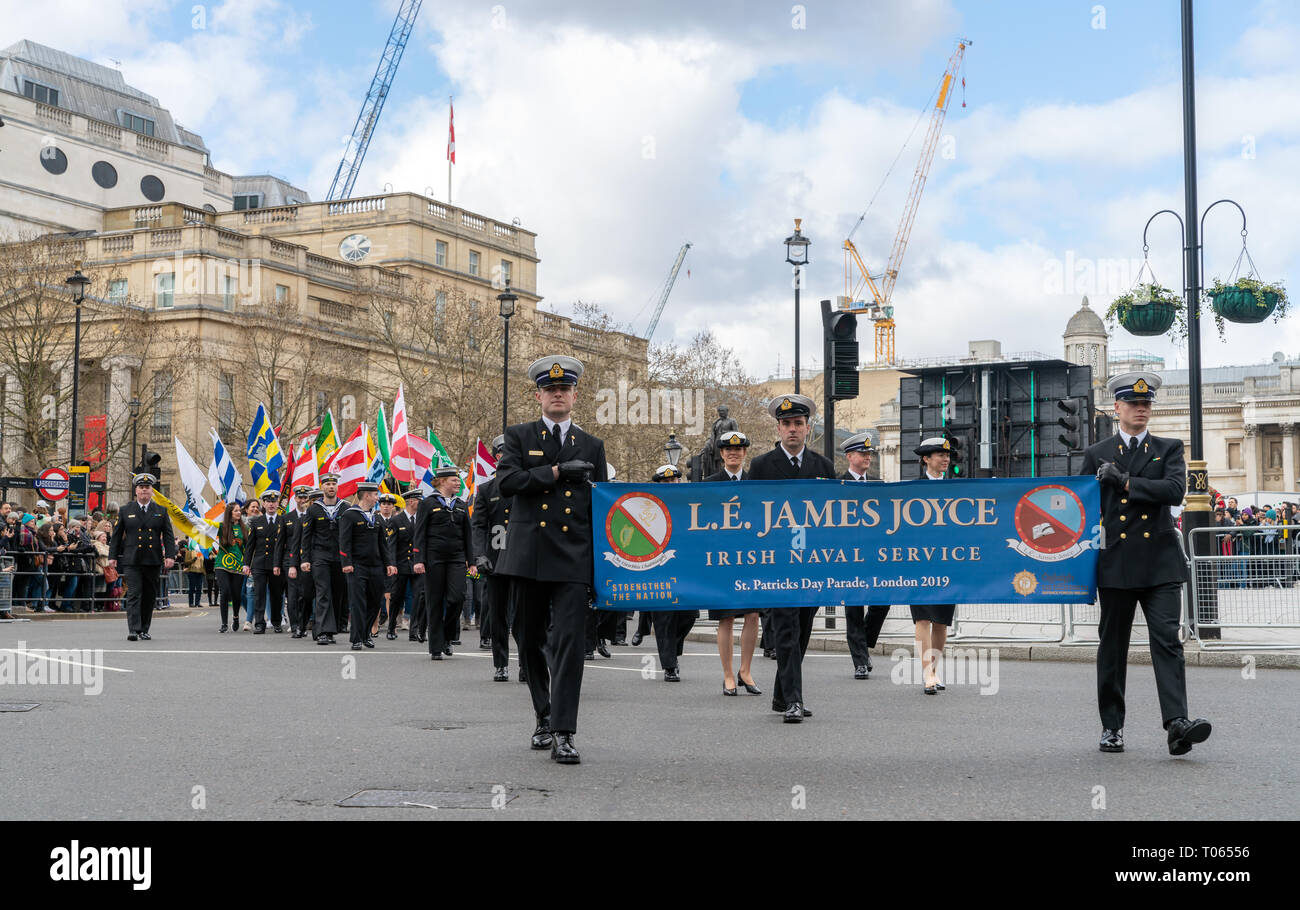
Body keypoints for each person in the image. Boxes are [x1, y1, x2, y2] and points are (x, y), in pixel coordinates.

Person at [1080, 371, 1212, 756]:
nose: (1142, 409)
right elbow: (1081, 509)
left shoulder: (1168, 448)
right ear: (1117, 408)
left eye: (1147, 403)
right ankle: (1112, 727)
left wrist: (1123, 483)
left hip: (1159, 564)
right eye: (1134, 404)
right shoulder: (1096, 454)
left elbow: (1173, 491)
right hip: (1116, 563)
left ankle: (1176, 725)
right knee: (1113, 647)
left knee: (1167, 642)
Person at [496, 355, 608, 764]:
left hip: (574, 558)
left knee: (569, 644)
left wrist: (602, 568)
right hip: (528, 556)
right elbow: (507, 483)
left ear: (575, 396)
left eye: (564, 389)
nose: (557, 394)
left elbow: (603, 509)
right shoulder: (519, 436)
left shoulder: (592, 445)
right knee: (528, 640)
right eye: (550, 389)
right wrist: (557, 472)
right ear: (539, 395)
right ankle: (542, 713)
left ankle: (563, 731)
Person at [746, 393, 835, 722]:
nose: (792, 429)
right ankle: (795, 700)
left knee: (802, 628)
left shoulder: (823, 467)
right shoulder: (761, 466)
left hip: (811, 560)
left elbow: (833, 516)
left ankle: (782, 697)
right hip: (778, 560)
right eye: (786, 424)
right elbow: (751, 513)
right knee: (785, 629)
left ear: (807, 428)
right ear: (779, 429)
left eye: (798, 423)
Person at [704, 431, 762, 696]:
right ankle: (728, 675)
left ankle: (745, 671)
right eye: (728, 450)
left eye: (738, 450)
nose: (733, 453)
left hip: (750, 558)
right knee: (725, 618)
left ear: (745, 453)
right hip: (721, 560)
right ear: (721, 454)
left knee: (753, 615)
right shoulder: (709, 483)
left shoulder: (756, 482)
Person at [838, 432, 894, 680]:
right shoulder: (838, 485)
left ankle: (865, 644)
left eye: (869, 453)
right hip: (848, 556)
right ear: (850, 457)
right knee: (853, 610)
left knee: (882, 602)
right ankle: (859, 661)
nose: (867, 457)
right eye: (862, 453)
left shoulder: (877, 485)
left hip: (873, 555)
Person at [910, 437, 959, 694]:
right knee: (923, 617)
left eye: (947, 455)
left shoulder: (956, 488)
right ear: (926, 459)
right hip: (919, 562)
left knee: (941, 620)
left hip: (946, 562)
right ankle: (927, 673)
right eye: (939, 455)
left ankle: (935, 670)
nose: (945, 459)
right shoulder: (912, 489)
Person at [414, 466, 476, 658]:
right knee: (434, 602)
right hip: (434, 559)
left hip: (457, 558)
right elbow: (420, 533)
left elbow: (468, 534)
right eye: (454, 480)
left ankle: (448, 637)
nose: (458, 483)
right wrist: (419, 560)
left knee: (457, 598)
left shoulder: (460, 504)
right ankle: (436, 647)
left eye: (458, 480)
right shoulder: (427, 503)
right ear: (441, 481)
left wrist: (471, 562)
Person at [106, 473, 177, 641]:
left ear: (152, 491)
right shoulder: (126, 510)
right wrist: (112, 556)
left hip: (152, 559)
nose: (144, 491)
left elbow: (168, 535)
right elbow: (116, 536)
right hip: (132, 559)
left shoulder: (160, 510)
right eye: (141, 488)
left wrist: (171, 555)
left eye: (147, 488)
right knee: (134, 594)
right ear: (136, 491)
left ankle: (144, 628)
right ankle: (133, 629)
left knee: (149, 596)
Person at [472, 435, 518, 681]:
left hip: (522, 561)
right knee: (498, 616)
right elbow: (478, 526)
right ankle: (501, 664)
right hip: (495, 562)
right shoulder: (486, 490)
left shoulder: (526, 488)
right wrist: (479, 555)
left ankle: (527, 664)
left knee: (523, 618)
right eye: (502, 454)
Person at [645, 464, 698, 681]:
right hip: (660, 566)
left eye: (674, 481)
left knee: (688, 615)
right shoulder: (647, 507)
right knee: (664, 617)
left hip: (685, 566)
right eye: (665, 482)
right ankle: (669, 665)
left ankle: (672, 650)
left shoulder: (689, 503)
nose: (670, 485)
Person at [339, 482, 396, 650]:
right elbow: (344, 541)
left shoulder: (376, 517)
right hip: (357, 566)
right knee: (358, 602)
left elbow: (383, 545)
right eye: (375, 495)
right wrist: (346, 563)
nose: (377, 498)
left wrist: (389, 564)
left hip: (376, 566)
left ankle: (365, 633)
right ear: (366, 495)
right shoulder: (350, 515)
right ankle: (356, 638)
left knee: (375, 601)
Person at [302, 474, 348, 645]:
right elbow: (306, 537)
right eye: (327, 484)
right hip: (319, 556)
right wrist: (305, 559)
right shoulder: (313, 509)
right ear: (322, 487)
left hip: (339, 557)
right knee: (323, 592)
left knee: (337, 593)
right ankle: (321, 630)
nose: (331, 487)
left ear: (337, 487)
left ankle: (329, 630)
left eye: (333, 484)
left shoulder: (345, 508)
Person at [246, 490, 287, 633]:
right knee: (259, 593)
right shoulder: (256, 521)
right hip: (260, 563)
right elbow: (250, 545)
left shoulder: (283, 520)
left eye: (274, 502)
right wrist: (246, 563)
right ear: (264, 503)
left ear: (277, 504)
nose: (271, 504)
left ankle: (276, 621)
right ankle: (259, 623)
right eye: (268, 501)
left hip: (277, 564)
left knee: (277, 594)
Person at [384, 489, 422, 642]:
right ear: (411, 501)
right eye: (419, 500)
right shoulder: (396, 520)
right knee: (396, 597)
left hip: (417, 564)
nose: (421, 502)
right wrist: (392, 564)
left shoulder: (421, 519)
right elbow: (391, 546)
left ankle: (415, 630)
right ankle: (392, 626)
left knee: (418, 597)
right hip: (400, 564)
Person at [278, 486, 314, 638]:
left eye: (305, 498)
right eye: (300, 498)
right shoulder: (287, 518)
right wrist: (277, 564)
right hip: (291, 560)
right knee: (293, 595)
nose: (303, 500)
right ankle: (295, 625)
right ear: (295, 499)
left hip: (311, 560)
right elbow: (280, 543)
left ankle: (306, 622)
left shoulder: (313, 515)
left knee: (307, 594)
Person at [214, 501, 249, 632]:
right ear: (229, 513)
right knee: (225, 591)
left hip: (238, 565)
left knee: (236, 594)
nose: (239, 512)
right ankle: (223, 623)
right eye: (236, 510)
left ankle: (235, 616)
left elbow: (247, 548)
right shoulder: (221, 527)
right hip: (222, 564)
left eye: (240, 510)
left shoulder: (244, 528)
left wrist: (247, 564)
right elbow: (207, 532)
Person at [181, 537, 206, 609]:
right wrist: (193, 560)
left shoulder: (201, 552)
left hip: (200, 572)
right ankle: (191, 603)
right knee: (192, 588)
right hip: (192, 571)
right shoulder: (189, 551)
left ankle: (197, 603)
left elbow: (202, 563)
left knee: (199, 589)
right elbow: (186, 562)